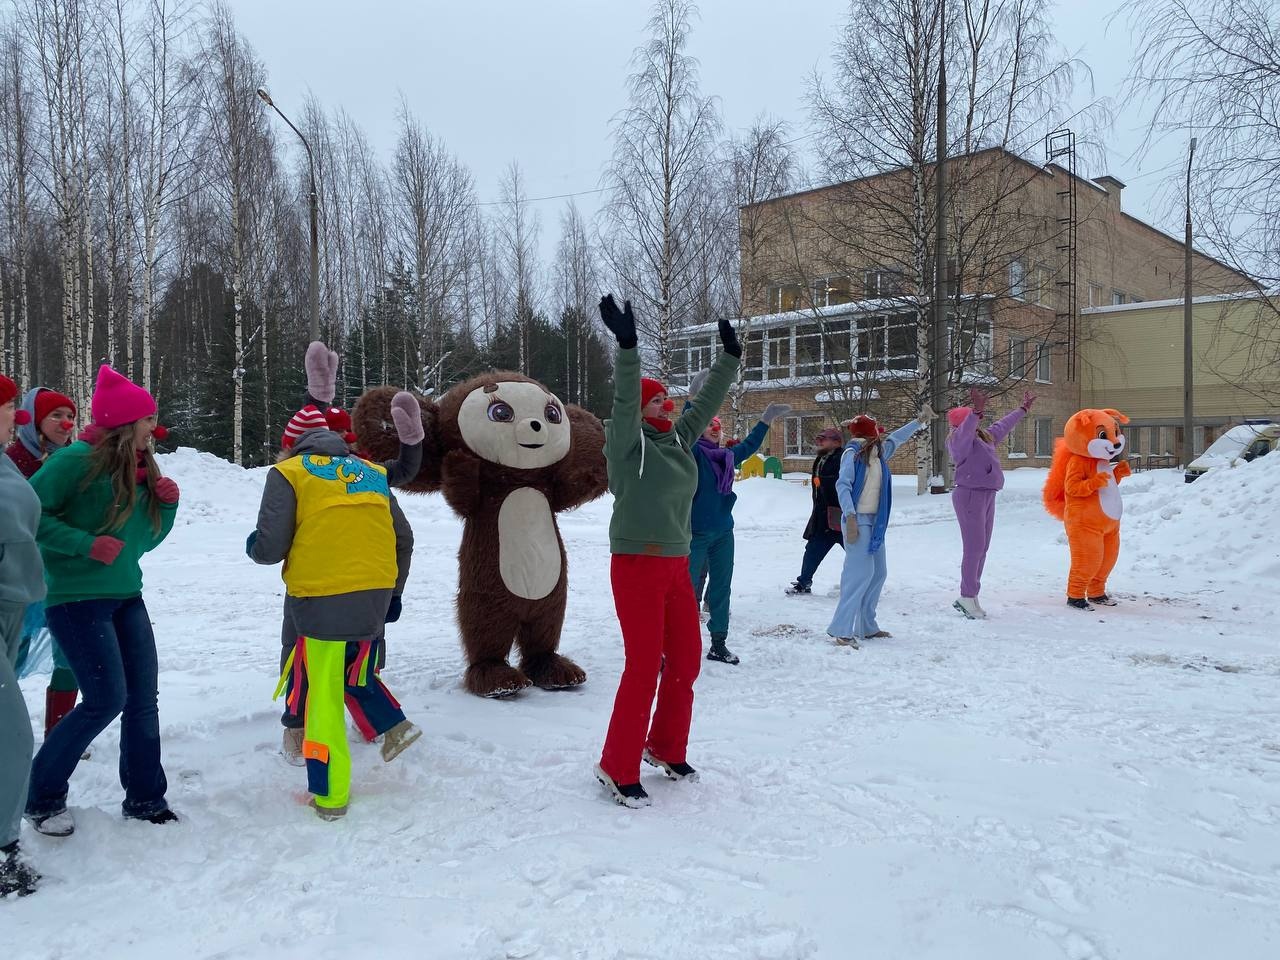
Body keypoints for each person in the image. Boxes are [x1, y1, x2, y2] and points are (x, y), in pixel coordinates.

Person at [594, 294, 740, 809]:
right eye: (657, 401)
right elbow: (622, 401)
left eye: (667, 401)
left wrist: (730, 359)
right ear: (640, 409)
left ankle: (665, 747)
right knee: (641, 665)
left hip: (677, 564)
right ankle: (617, 765)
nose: (668, 406)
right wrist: (628, 347)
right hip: (636, 564)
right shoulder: (626, 447)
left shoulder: (678, 443)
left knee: (685, 659)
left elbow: (702, 405)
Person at [25, 366, 181, 837]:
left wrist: (167, 508)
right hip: (75, 599)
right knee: (104, 699)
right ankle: (41, 797)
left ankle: (145, 798)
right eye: (147, 420)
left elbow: (143, 543)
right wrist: (82, 544)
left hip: (126, 597)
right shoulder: (74, 461)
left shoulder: (141, 466)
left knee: (142, 700)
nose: (152, 429)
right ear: (125, 422)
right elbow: (27, 517)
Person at [248, 407, 419, 820]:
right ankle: (391, 724)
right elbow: (404, 539)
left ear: (290, 445)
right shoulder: (372, 473)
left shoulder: (289, 473)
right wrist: (392, 595)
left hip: (321, 598)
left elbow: (269, 549)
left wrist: (254, 544)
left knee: (322, 698)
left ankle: (330, 796)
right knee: (356, 670)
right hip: (374, 594)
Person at [275, 342, 424, 764]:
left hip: (323, 586)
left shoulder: (358, 477)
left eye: (343, 436)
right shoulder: (317, 474)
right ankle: (330, 725)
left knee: (316, 654)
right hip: (355, 584)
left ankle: (315, 731)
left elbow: (401, 536)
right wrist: (391, 592)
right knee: (349, 654)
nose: (337, 443)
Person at [686, 392, 790, 665]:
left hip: (723, 533)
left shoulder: (727, 457)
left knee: (721, 588)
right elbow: (684, 431)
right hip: (694, 534)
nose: (715, 427)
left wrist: (766, 419)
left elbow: (751, 444)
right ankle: (677, 644)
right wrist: (694, 400)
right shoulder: (693, 452)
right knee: (685, 591)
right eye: (708, 424)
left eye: (717, 424)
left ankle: (718, 644)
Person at [827, 404, 936, 647]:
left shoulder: (878, 452)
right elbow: (843, 486)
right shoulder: (852, 455)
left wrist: (919, 421)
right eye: (876, 432)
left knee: (878, 573)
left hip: (876, 522)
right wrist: (851, 516)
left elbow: (897, 437)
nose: (881, 435)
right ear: (868, 435)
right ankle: (841, 629)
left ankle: (866, 626)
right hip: (857, 520)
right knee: (858, 574)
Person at [6, 386, 80, 738]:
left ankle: (61, 734)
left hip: (64, 574)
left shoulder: (75, 460)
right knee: (11, 655)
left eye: (70, 416)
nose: (66, 423)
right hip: (20, 576)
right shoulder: (13, 461)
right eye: (56, 416)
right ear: (34, 420)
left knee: (70, 655)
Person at [0, 374, 44, 895]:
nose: (18, 416)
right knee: (11, 735)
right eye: (9, 406)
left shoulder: (6, 460)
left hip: (13, 609)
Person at [947, 388, 1035, 619]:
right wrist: (975, 412)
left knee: (982, 548)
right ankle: (966, 595)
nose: (978, 423)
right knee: (974, 547)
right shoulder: (958, 442)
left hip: (987, 494)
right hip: (969, 495)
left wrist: (1022, 409)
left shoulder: (983, 437)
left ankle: (972, 595)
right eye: (973, 420)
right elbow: (965, 432)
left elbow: (1003, 425)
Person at [785, 427, 846, 596]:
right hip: (822, 516)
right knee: (812, 550)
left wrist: (823, 482)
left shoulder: (843, 458)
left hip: (841, 516)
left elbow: (842, 482)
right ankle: (804, 582)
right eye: (818, 439)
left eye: (823, 439)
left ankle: (870, 580)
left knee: (856, 552)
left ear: (836, 442)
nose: (819, 442)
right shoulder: (821, 458)